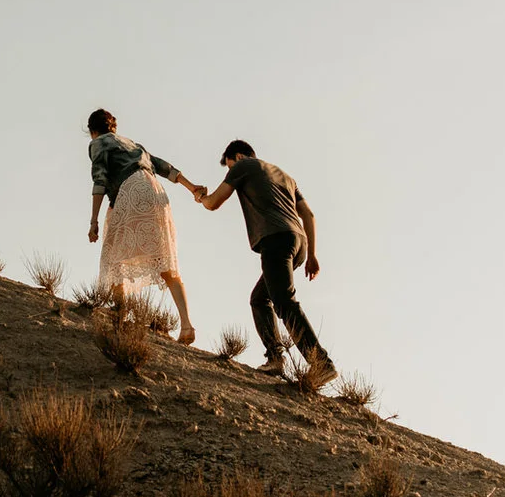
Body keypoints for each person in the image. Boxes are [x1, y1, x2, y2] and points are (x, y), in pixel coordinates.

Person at [196, 139, 331, 385]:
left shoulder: (243, 166)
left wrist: (202, 198)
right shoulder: (285, 176)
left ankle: (321, 363)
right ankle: (276, 358)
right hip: (298, 242)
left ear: (236, 157)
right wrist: (311, 255)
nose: (230, 173)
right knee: (260, 299)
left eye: (228, 167)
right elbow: (308, 215)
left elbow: (214, 202)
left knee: (284, 302)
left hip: (275, 239)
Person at [85, 108, 203, 342]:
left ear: (93, 131)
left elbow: (100, 179)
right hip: (157, 193)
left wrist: (93, 221)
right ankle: (187, 326)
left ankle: (120, 315)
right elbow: (165, 168)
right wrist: (193, 188)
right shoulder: (134, 145)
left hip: (130, 191)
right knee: (165, 260)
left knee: (114, 258)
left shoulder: (98, 143)